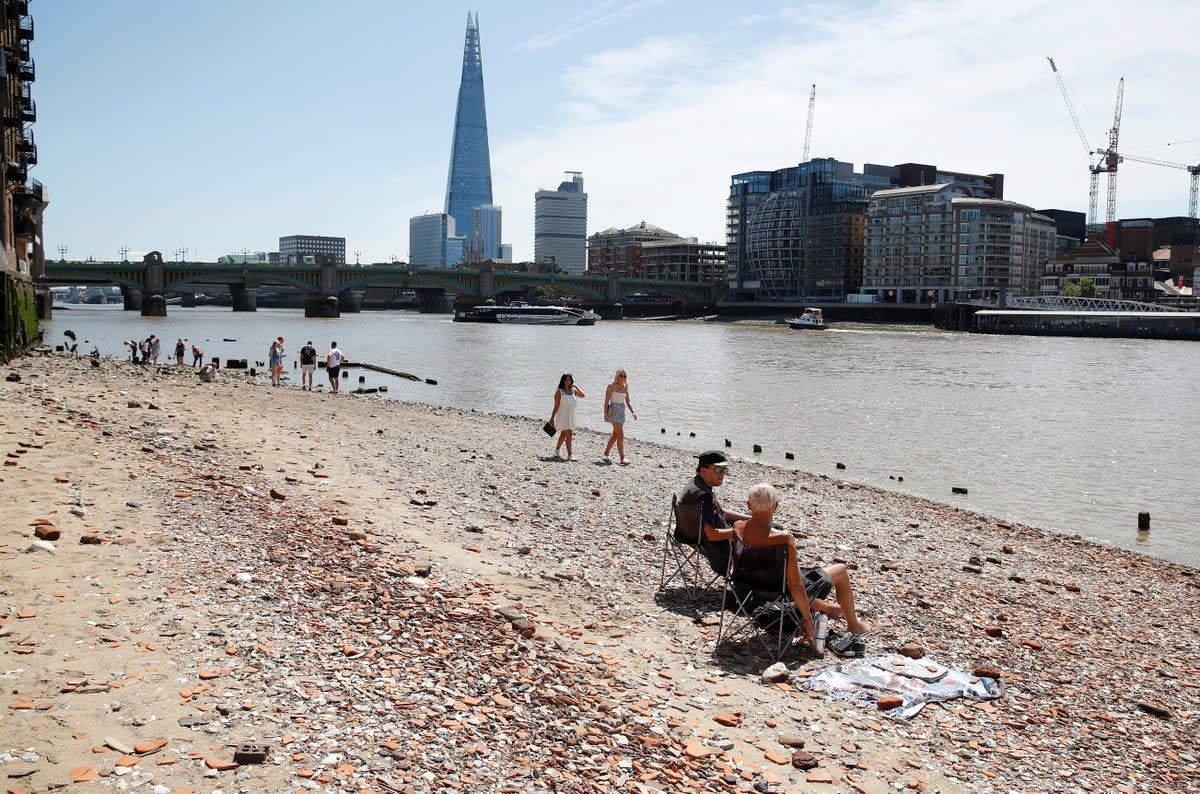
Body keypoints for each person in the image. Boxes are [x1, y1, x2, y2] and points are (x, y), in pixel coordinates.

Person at [731, 482, 873, 649]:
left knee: (804, 572)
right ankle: (853, 625)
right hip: (781, 591)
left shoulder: (737, 527)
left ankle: (827, 608)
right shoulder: (783, 538)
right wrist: (807, 620)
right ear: (775, 506)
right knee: (840, 570)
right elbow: (796, 586)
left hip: (747, 588)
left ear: (748, 505)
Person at [678, 450, 750, 575]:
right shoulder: (703, 496)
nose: (723, 474)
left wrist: (751, 518)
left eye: (725, 469)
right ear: (703, 470)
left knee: (758, 521)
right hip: (715, 544)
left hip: (690, 534)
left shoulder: (696, 484)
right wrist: (739, 531)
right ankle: (754, 586)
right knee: (768, 533)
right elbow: (712, 535)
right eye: (718, 469)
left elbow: (721, 512)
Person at [602, 369, 638, 465]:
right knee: (621, 434)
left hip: (622, 411)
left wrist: (633, 412)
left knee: (615, 435)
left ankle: (606, 452)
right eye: (621, 375)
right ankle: (622, 458)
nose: (622, 377)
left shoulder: (625, 387)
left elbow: (628, 401)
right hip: (613, 410)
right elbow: (606, 401)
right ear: (617, 376)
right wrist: (605, 414)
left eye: (624, 376)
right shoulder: (611, 386)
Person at [549, 373, 585, 460]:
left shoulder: (573, 391)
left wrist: (576, 387)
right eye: (566, 379)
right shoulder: (559, 392)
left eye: (569, 379)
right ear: (563, 381)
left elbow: (583, 395)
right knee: (569, 433)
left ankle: (557, 451)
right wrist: (552, 418)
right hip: (562, 416)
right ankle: (570, 455)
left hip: (571, 415)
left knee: (564, 433)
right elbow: (556, 406)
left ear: (571, 381)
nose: (567, 381)